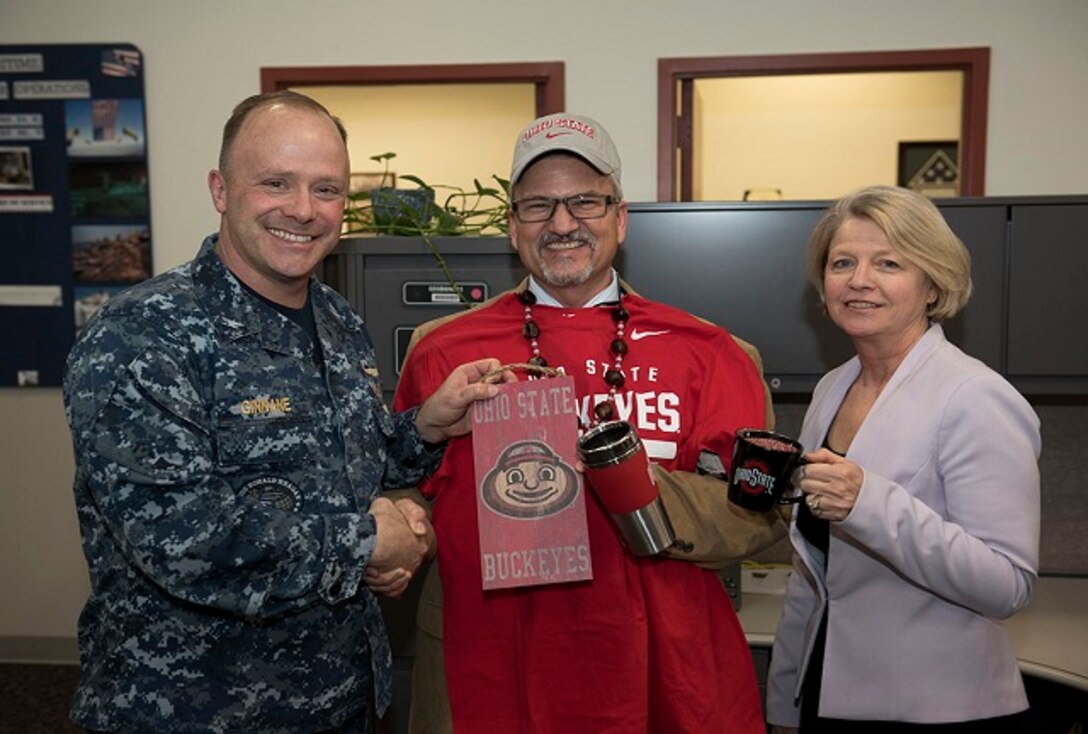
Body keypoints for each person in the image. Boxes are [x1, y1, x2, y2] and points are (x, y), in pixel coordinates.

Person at [62, 90, 508, 733]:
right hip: (195, 712)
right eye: (277, 182)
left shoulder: (336, 320)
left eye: (326, 189)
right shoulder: (141, 336)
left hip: (341, 699)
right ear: (221, 188)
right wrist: (368, 544)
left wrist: (426, 427)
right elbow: (184, 543)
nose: (303, 210)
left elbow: (349, 465)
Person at [392, 112, 787, 733]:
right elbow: (402, 485)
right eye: (538, 206)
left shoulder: (711, 351)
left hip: (666, 667)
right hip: (493, 668)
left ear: (621, 218)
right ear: (511, 225)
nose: (563, 223)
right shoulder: (442, 349)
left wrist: (633, 486)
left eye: (585, 201)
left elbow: (759, 510)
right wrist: (397, 530)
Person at [765, 185, 1041, 733]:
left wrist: (869, 502)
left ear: (932, 283)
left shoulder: (974, 396)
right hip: (827, 693)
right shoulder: (832, 389)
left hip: (936, 710)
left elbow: (1006, 583)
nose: (859, 280)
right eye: (843, 262)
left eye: (888, 263)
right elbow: (815, 574)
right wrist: (784, 698)